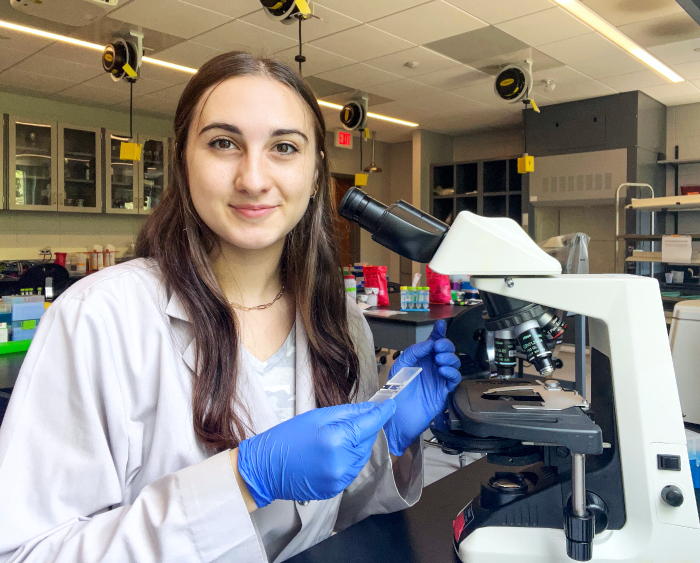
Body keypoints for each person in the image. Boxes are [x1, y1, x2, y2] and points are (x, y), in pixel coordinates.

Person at [0, 52, 461, 563]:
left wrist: (388, 439)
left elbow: (331, 519)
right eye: (224, 143)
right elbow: (29, 551)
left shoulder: (341, 323)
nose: (254, 178)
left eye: (284, 147)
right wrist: (244, 479)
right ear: (183, 163)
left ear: (314, 176)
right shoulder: (99, 316)